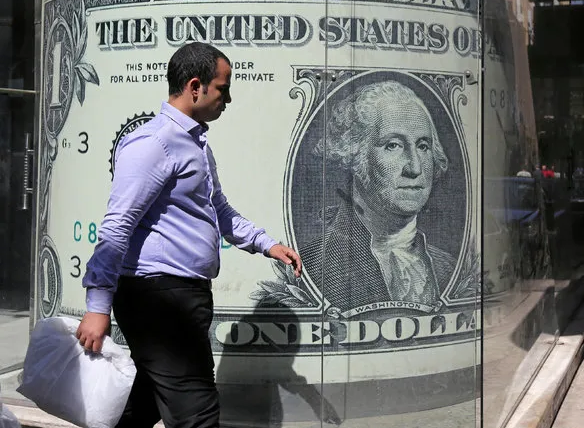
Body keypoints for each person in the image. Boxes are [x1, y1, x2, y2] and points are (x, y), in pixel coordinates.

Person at [75, 43, 302, 428]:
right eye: (223, 88)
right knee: (196, 412)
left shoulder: (195, 143)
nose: (228, 99)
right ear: (195, 87)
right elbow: (117, 226)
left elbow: (218, 209)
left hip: (183, 295)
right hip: (160, 298)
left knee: (144, 404)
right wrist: (98, 305)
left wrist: (268, 244)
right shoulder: (155, 142)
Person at [300, 80, 455, 313]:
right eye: (393, 145)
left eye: (423, 146)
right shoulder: (312, 267)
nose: (414, 167)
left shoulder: (448, 268)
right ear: (353, 155)